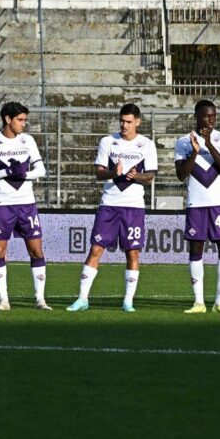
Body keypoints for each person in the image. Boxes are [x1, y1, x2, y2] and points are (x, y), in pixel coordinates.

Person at [67, 103, 157, 313]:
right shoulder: (108, 142)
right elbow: (99, 173)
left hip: (133, 208)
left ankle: (128, 301)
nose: (124, 125)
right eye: (122, 121)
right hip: (109, 205)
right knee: (96, 249)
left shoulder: (146, 145)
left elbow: (150, 177)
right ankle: (82, 299)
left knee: (132, 253)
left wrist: (136, 176)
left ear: (138, 122)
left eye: (128, 121)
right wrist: (113, 174)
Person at [0, 101, 49, 311]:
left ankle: (40, 300)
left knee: (36, 250)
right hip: (2, 204)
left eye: (25, 120)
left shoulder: (28, 141)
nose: (24, 124)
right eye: (20, 120)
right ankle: (3, 300)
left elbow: (41, 170)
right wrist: (7, 172)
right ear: (8, 119)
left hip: (26, 204)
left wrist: (23, 174)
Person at [173, 100, 220, 315]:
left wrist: (209, 144)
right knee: (196, 249)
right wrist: (194, 152)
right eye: (206, 116)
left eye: (213, 116)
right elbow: (181, 174)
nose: (210, 120)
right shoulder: (184, 141)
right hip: (197, 204)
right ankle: (199, 302)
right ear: (197, 116)